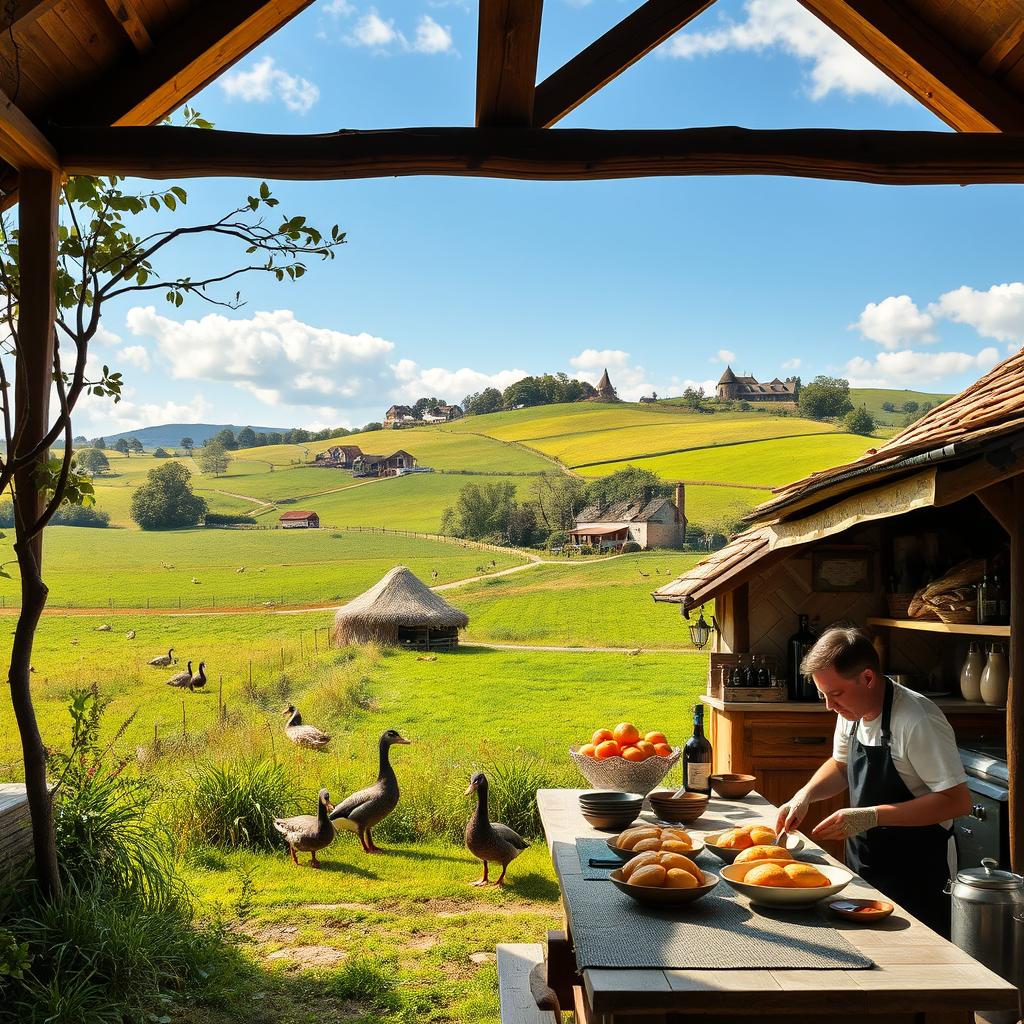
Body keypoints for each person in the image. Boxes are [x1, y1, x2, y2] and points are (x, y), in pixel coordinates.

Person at [776, 625, 970, 936]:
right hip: (864, 863)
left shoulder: (917, 720)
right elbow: (840, 767)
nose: (829, 706)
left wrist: (872, 816)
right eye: (822, 694)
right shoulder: (850, 710)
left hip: (917, 870)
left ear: (867, 678)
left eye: (835, 694)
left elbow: (957, 802)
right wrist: (806, 794)